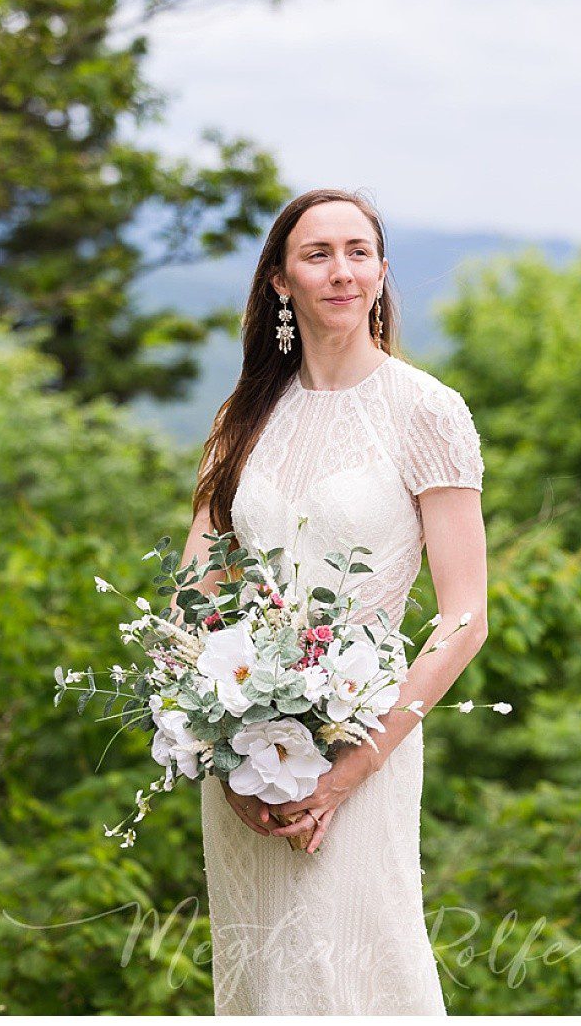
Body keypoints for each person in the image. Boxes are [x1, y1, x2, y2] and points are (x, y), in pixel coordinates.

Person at [179, 188, 488, 1013]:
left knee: (357, 966)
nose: (341, 270)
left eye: (359, 252)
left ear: (382, 273)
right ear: (281, 282)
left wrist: (355, 766)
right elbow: (194, 599)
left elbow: (465, 615)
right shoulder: (241, 419)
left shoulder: (427, 410)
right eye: (317, 254)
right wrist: (223, 747)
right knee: (264, 978)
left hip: (366, 734)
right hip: (246, 751)